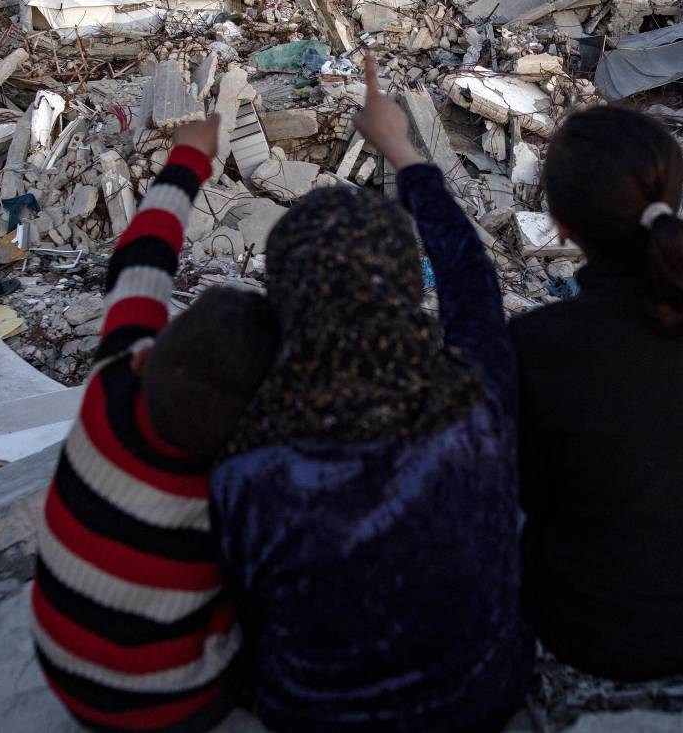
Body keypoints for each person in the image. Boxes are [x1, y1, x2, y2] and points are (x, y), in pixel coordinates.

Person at [207, 54, 531, 731]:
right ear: (407, 287)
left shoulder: (248, 468)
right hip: (480, 698)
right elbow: (470, 280)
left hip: (316, 716)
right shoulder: (476, 403)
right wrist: (403, 153)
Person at [509, 105, 683, 681]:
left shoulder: (542, 346)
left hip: (594, 630)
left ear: (560, 224)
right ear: (674, 196)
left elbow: (530, 491)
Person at [31, 116, 281, 733]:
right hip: (171, 706)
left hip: (60, 670)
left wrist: (187, 160)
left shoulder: (111, 382)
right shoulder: (231, 490)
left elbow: (139, 256)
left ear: (147, 357)